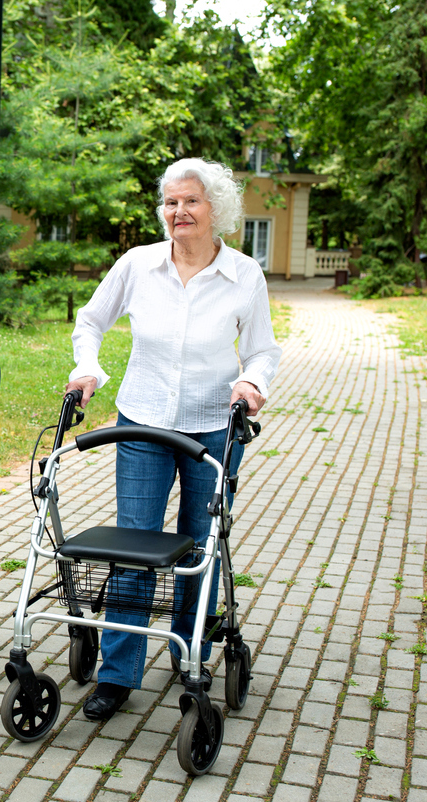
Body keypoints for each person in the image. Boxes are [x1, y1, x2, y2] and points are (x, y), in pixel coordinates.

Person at [66, 158, 281, 720]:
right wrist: (88, 368)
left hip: (215, 424)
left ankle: (191, 655)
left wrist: (251, 382)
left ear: (217, 210)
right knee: (134, 546)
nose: (178, 212)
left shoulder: (244, 276)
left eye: (191, 201)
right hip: (142, 421)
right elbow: (90, 321)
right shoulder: (138, 265)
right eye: (170, 202)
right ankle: (117, 675)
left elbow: (262, 349)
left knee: (199, 546)